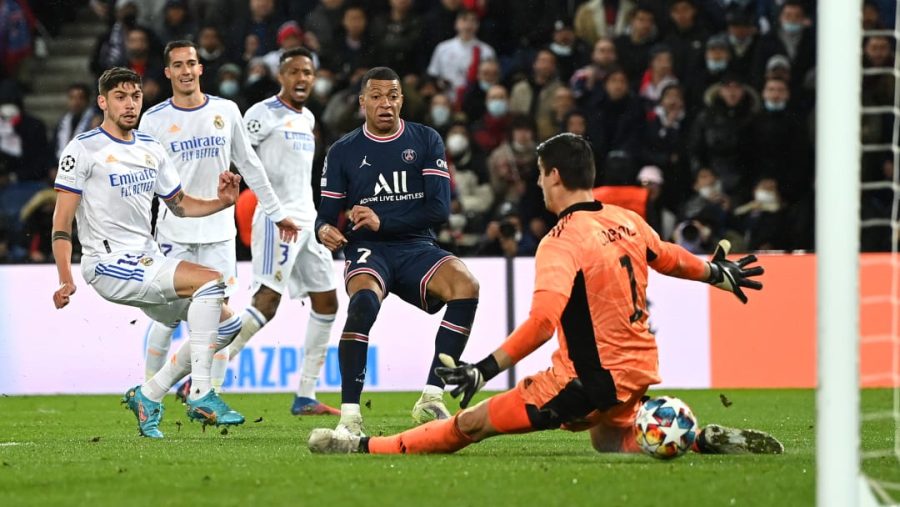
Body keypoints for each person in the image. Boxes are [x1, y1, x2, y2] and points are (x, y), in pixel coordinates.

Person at [306, 132, 784, 456]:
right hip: (638, 371)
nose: (537, 182)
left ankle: (361, 446)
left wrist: (483, 369)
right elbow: (669, 255)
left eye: (539, 174)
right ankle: (698, 439)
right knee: (606, 439)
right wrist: (714, 273)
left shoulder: (561, 241)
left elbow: (541, 323)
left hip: (584, 384)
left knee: (468, 427)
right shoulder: (624, 218)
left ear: (554, 175)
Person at [52, 67, 246, 439]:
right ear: (103, 102)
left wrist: (221, 202)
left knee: (229, 325)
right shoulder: (83, 149)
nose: (130, 104)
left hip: (146, 259)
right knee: (211, 282)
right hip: (108, 264)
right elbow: (62, 223)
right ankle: (203, 392)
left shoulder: (150, 147)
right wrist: (65, 277)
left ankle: (149, 394)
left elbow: (181, 205)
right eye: (121, 97)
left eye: (136, 96)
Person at [315, 66, 480, 434]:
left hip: (416, 245)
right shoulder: (342, 151)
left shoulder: (425, 140)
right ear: (362, 103)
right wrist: (324, 230)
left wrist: (382, 218)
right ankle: (350, 417)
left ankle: (431, 396)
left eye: (392, 96)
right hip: (368, 250)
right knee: (362, 305)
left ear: (401, 100)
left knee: (466, 286)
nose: (385, 104)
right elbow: (325, 217)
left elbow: (439, 209)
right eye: (376, 97)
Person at [137, 40, 299, 393]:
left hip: (218, 233)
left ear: (200, 68)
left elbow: (250, 165)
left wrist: (276, 213)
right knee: (168, 316)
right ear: (167, 72)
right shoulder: (153, 120)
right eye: (177, 65)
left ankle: (207, 394)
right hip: (173, 233)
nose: (185, 70)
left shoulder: (225, 111)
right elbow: (141, 183)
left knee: (221, 315)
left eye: (190, 63)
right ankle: (150, 392)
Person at [218, 47, 341, 416]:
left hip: (308, 222)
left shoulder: (307, 118)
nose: (302, 78)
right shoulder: (262, 113)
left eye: (308, 72)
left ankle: (305, 395)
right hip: (277, 221)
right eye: (295, 72)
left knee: (327, 302)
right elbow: (236, 153)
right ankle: (207, 377)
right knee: (266, 303)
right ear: (281, 76)